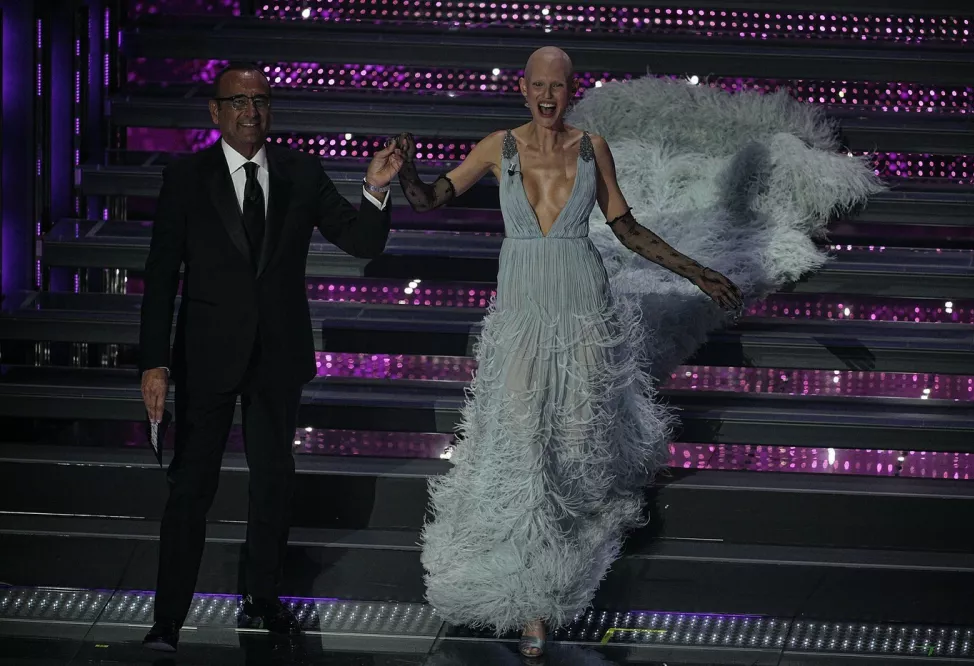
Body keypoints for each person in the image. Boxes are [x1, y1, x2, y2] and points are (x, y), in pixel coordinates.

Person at [395, 47, 741, 658]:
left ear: (571, 89)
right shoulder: (497, 147)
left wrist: (698, 272)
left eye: (558, 86)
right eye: (538, 86)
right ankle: (530, 598)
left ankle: (562, 559)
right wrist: (406, 173)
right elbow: (429, 199)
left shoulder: (591, 148)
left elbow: (626, 228)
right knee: (525, 442)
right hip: (523, 312)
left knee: (574, 441)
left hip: (582, 306)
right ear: (523, 89)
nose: (548, 96)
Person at [138, 62, 403, 652]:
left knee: (273, 482)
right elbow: (160, 274)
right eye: (238, 101)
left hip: (277, 355)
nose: (250, 111)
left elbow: (361, 240)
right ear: (215, 111)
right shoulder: (186, 177)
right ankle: (167, 619)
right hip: (206, 355)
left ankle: (262, 598)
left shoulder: (299, 172)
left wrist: (376, 189)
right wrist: (154, 361)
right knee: (191, 489)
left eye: (259, 100)